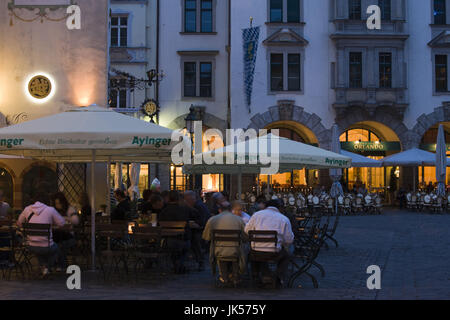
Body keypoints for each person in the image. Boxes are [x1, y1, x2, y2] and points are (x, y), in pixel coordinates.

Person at [245, 199, 294, 287]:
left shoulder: (256, 215)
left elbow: (247, 230)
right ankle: (279, 276)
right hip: (274, 253)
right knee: (287, 255)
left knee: (255, 250)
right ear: (278, 208)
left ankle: (256, 274)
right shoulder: (283, 218)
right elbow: (289, 240)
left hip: (256, 252)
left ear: (266, 206)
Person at [17, 193, 65, 277]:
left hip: (31, 245)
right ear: (47, 201)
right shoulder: (50, 210)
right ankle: (47, 266)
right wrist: (51, 222)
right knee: (58, 248)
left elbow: (19, 224)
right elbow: (62, 223)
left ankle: (44, 267)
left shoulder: (27, 209)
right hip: (47, 245)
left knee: (39, 249)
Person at [202, 201, 247, 287]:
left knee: (220, 251)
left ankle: (224, 277)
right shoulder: (238, 219)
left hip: (219, 250)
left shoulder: (212, 220)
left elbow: (206, 237)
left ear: (219, 210)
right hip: (235, 250)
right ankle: (235, 276)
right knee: (238, 249)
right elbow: (245, 237)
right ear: (231, 210)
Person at [159, 191, 194, 274]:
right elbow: (194, 215)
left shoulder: (164, 211)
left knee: (174, 249)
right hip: (183, 240)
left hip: (168, 241)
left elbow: (159, 223)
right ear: (178, 199)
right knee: (188, 244)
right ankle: (179, 264)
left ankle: (177, 264)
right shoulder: (184, 209)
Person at [51, 192, 80, 270]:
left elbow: (76, 221)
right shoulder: (53, 210)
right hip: (56, 236)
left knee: (60, 243)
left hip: (68, 236)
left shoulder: (70, 209)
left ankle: (60, 264)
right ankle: (58, 264)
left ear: (63, 202)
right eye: (56, 203)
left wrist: (65, 218)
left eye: (59, 203)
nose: (58, 205)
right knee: (55, 242)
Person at [184, 190, 210, 271]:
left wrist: (194, 224)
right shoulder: (199, 205)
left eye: (186, 200)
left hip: (201, 231)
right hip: (200, 230)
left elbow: (202, 222)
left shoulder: (198, 206)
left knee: (194, 240)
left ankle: (199, 260)